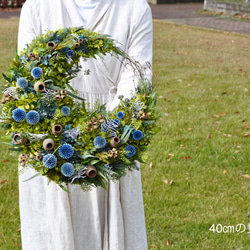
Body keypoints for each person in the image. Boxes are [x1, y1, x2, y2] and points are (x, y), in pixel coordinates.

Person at [17, 0, 153, 249]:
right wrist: (62, 137)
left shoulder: (135, 9)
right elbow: (29, 77)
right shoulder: (37, 7)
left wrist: (100, 136)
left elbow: (137, 80)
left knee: (112, 228)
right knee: (54, 228)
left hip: (113, 136)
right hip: (51, 136)